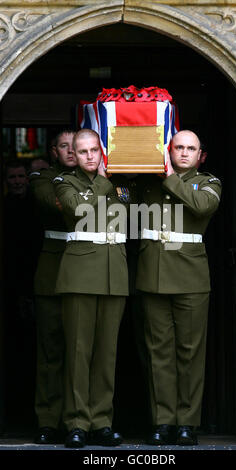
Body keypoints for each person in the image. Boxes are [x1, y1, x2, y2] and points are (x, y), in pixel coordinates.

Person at [136, 130, 222, 446]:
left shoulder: (209, 183)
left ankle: (187, 422)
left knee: (189, 354)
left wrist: (170, 177)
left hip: (190, 278)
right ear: (168, 150)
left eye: (191, 148)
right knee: (158, 354)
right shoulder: (147, 182)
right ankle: (163, 421)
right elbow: (120, 201)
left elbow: (201, 207)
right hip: (154, 276)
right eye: (178, 147)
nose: (184, 152)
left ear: (201, 156)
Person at [53, 129, 129, 448]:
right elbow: (76, 209)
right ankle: (76, 422)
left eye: (94, 150)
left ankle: (101, 421)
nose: (88, 156)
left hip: (113, 275)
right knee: (79, 352)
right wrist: (103, 180)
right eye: (82, 151)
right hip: (81, 274)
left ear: (102, 151)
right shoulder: (64, 182)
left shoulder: (118, 182)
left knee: (105, 355)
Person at [29, 130, 77, 444]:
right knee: (51, 353)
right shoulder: (43, 178)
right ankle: (48, 420)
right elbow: (58, 204)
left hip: (85, 275)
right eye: (64, 146)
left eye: (77, 145)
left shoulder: (94, 178)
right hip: (52, 275)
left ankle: (77, 422)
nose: (72, 151)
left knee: (81, 354)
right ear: (54, 151)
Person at [3, 160, 43, 430]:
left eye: (21, 176)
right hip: (7, 290)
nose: (17, 181)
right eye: (12, 177)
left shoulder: (37, 209)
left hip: (34, 287)